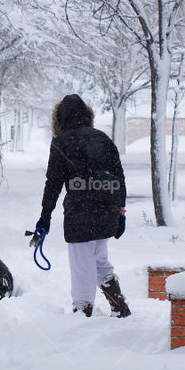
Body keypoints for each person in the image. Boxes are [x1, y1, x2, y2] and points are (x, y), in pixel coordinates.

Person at [32, 94, 131, 317]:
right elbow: (119, 177)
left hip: (80, 214)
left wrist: (45, 217)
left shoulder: (61, 142)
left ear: (60, 119)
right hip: (106, 213)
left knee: (81, 267)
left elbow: (53, 184)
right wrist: (120, 212)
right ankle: (119, 307)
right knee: (99, 260)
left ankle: (82, 313)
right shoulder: (103, 138)